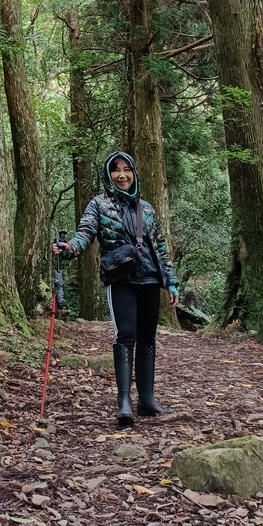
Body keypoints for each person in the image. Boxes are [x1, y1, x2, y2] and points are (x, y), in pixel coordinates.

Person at [53, 151, 180, 427]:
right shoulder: (99, 204)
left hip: (149, 278)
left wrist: (170, 280)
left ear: (134, 173)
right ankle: (124, 402)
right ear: (108, 175)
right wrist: (70, 248)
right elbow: (85, 233)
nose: (121, 175)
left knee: (147, 338)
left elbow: (159, 246)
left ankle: (147, 400)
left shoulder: (146, 208)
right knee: (126, 336)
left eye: (126, 169)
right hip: (121, 279)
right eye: (115, 170)